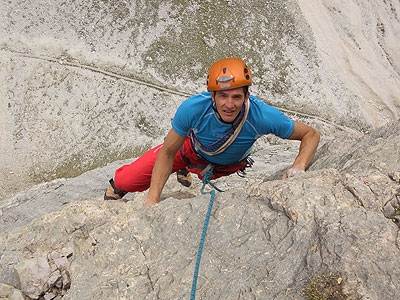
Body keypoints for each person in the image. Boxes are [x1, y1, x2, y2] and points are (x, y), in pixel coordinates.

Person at [104, 57, 320, 207]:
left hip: (224, 165)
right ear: (212, 97)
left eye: (236, 97)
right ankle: (118, 187)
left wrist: (299, 166)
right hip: (188, 150)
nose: (229, 104)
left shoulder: (262, 116)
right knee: (126, 181)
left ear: (247, 97)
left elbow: (310, 134)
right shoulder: (193, 109)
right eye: (223, 96)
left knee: (200, 170)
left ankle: (188, 170)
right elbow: (168, 152)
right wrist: (153, 199)